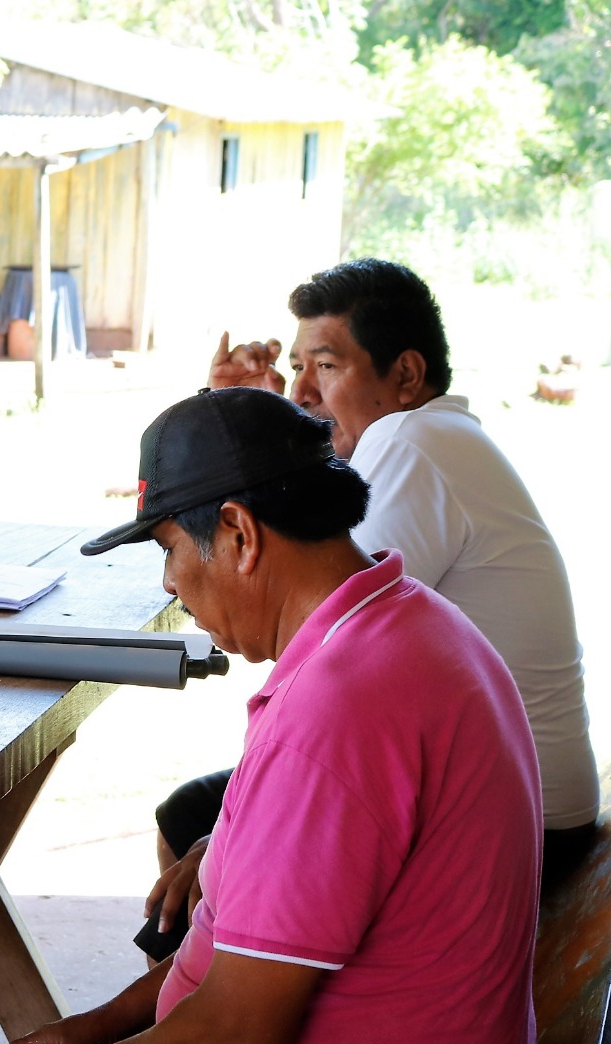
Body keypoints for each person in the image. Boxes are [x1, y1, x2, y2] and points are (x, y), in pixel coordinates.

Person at [0, 387, 540, 1044]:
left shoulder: (337, 708)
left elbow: (239, 1029)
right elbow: (233, 948)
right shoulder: (409, 620)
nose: (171, 584)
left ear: (239, 534)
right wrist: (91, 1030)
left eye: (170, 550)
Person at [143, 259, 597, 953]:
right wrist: (249, 428)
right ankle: (196, 1003)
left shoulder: (413, 443)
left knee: (206, 834)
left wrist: (236, 834)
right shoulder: (433, 440)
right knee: (196, 817)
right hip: (511, 790)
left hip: (516, 813)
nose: (302, 389)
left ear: (406, 376)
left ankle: (204, 1023)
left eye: (324, 366)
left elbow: (307, 607)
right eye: (294, 369)